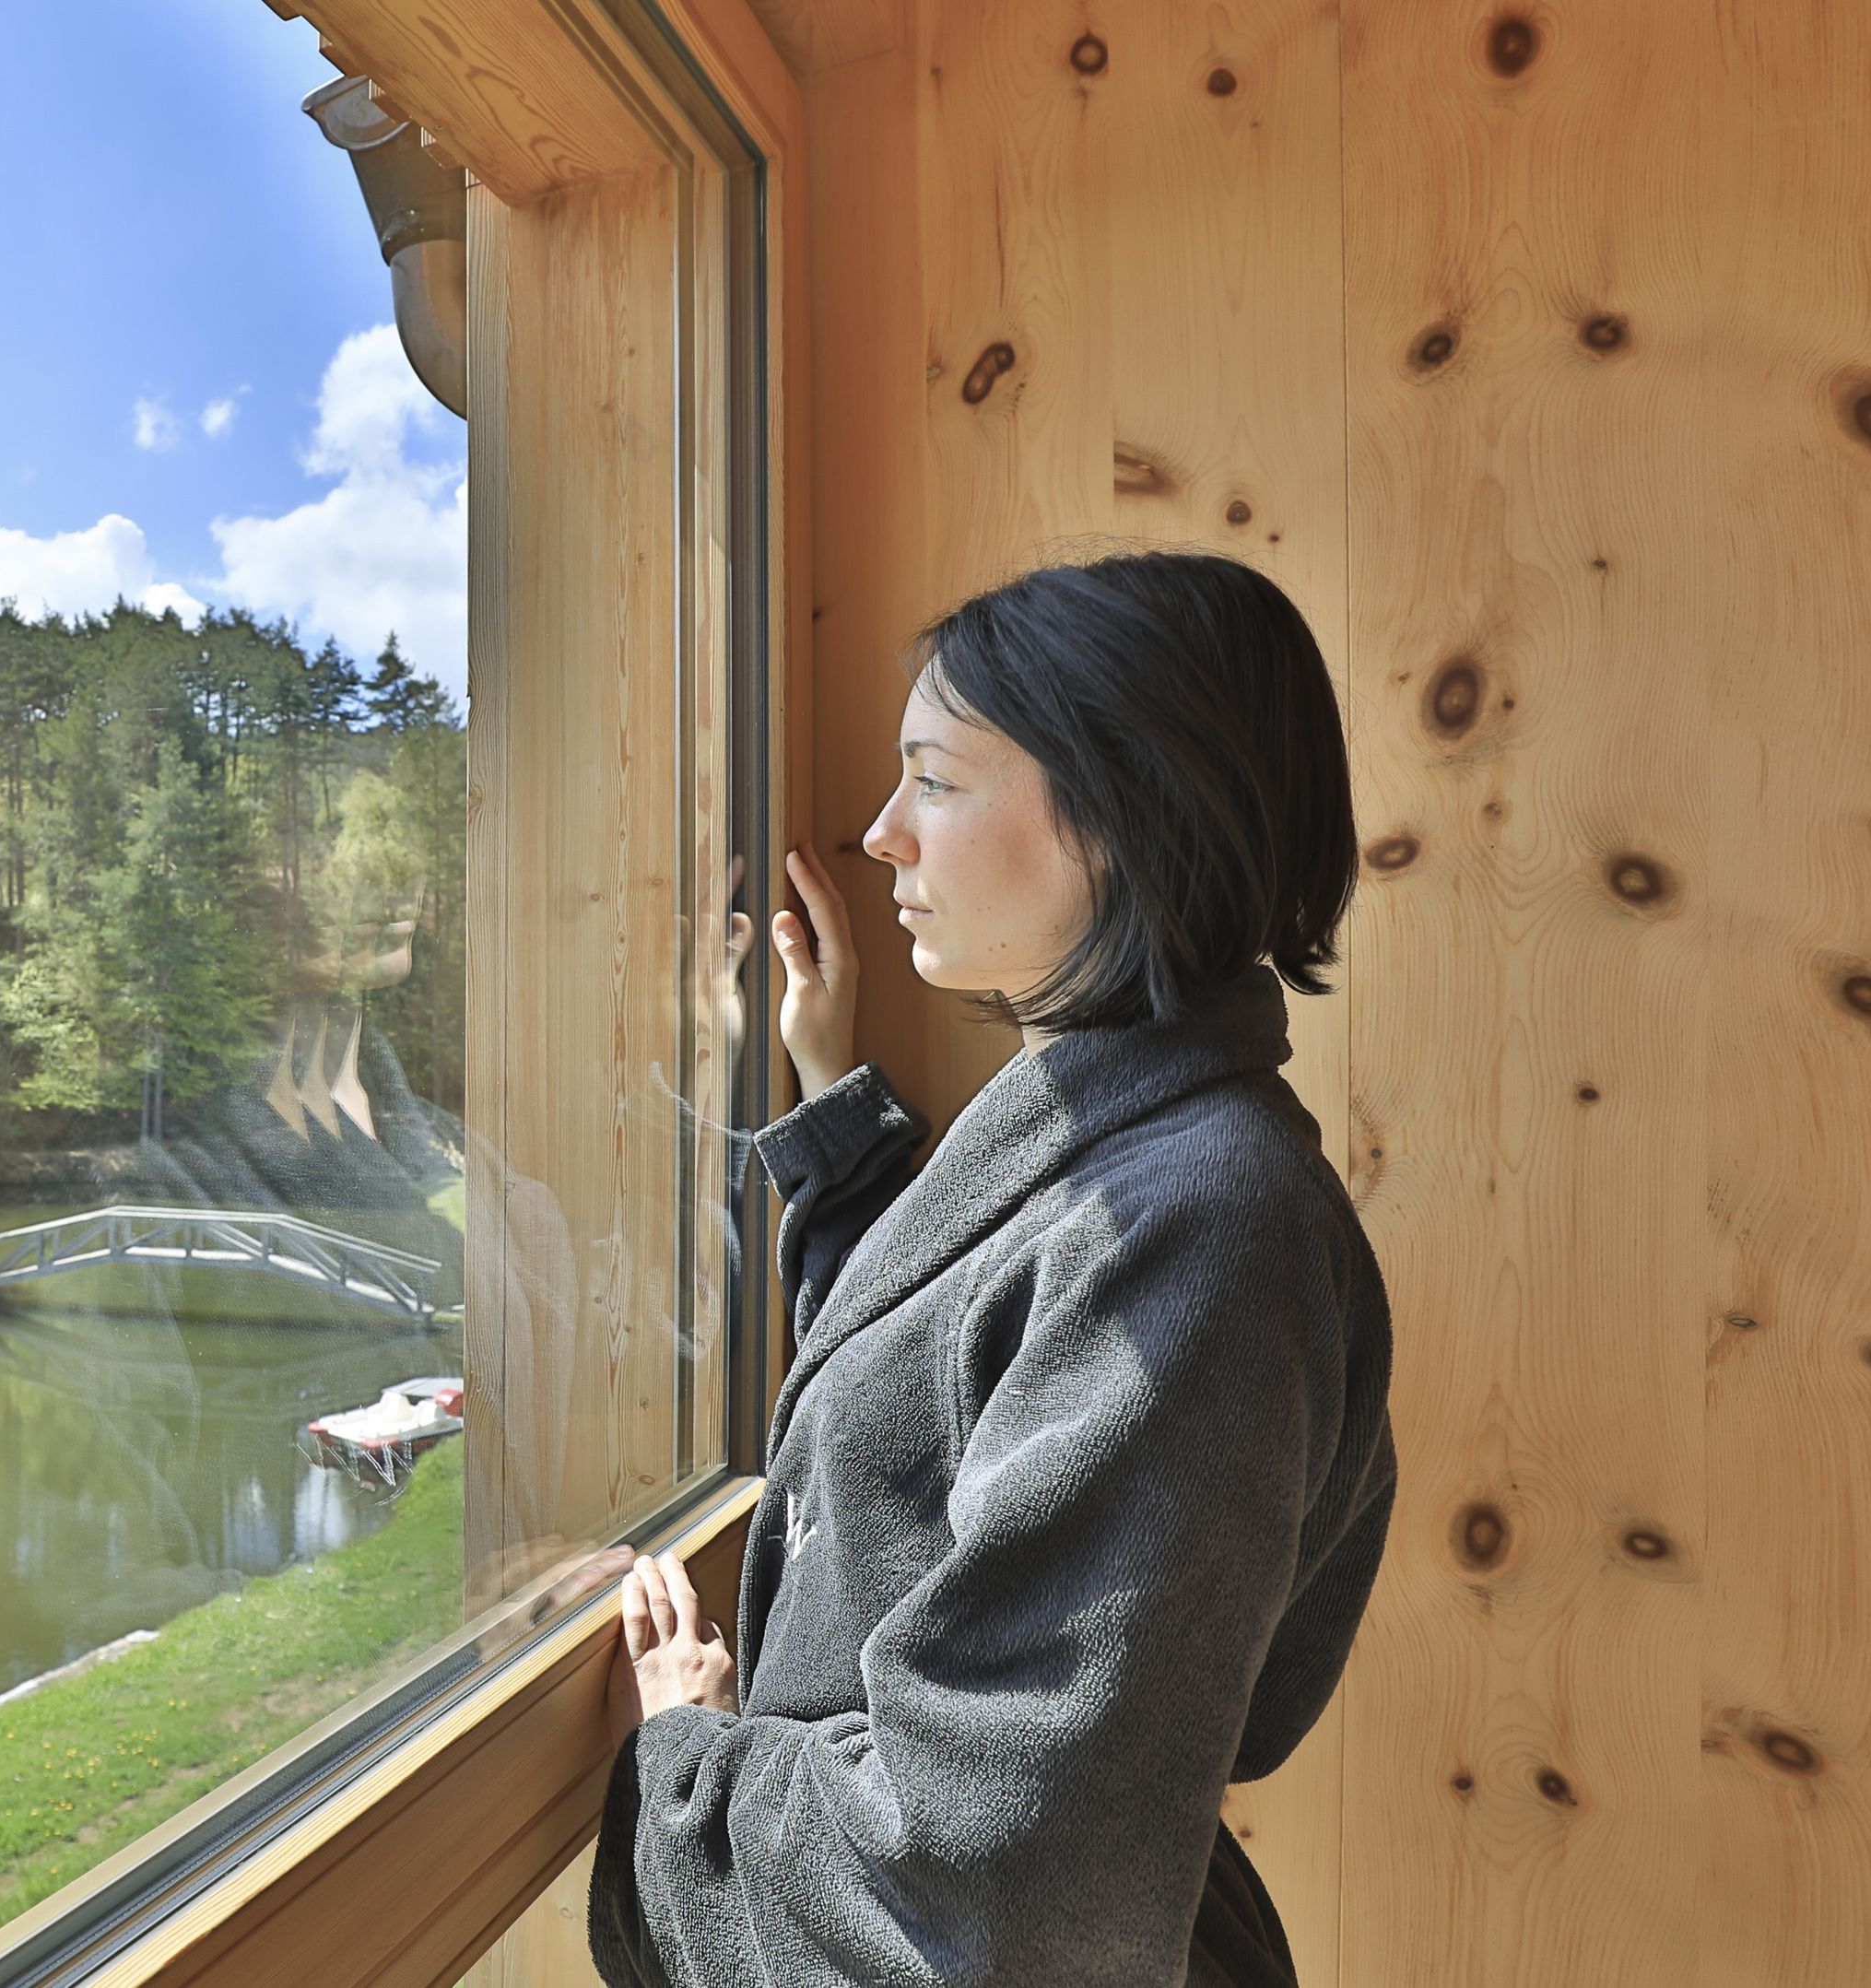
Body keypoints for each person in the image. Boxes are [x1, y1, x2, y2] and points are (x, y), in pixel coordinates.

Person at [588, 550, 1399, 1987]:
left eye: (936, 782)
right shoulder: (1142, 1152)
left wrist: (689, 1767)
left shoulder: (1196, 1237)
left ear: (1121, 814)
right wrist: (833, 1095)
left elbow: (981, 1890)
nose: (881, 832)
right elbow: (946, 1401)